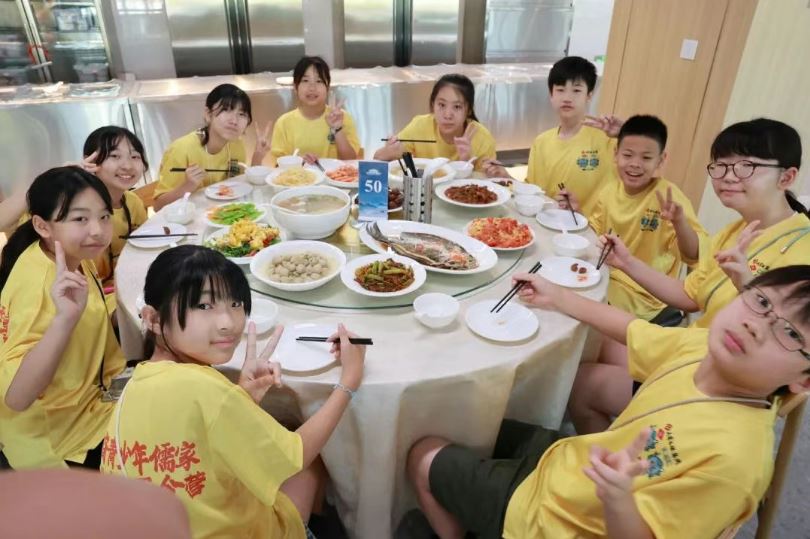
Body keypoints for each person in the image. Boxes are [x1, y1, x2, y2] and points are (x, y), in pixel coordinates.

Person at [408, 265, 810, 539]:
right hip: (570, 466)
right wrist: (557, 296)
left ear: (803, 381)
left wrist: (618, 499)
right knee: (472, 419)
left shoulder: (735, 464)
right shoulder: (703, 347)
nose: (755, 327)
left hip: (557, 521)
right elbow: (633, 330)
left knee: (422, 454)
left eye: (791, 334)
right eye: (762, 302)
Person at [101, 245, 365, 538]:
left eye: (235, 303)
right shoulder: (206, 391)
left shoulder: (135, 385)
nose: (228, 323)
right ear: (152, 318)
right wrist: (349, 380)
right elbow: (296, 457)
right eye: (203, 306)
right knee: (316, 459)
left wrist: (241, 397)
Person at [571, 119, 810, 433]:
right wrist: (626, 261)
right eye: (721, 166)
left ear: (787, 177)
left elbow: (782, 346)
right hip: (693, 349)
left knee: (581, 385)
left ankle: (630, 453)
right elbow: (689, 295)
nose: (728, 177)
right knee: (590, 342)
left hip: (722, 384)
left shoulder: (802, 253)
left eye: (745, 167)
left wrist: (747, 290)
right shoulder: (736, 230)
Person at [0, 167, 126, 469]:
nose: (97, 230)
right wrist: (64, 321)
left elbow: (91, 315)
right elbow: (17, 397)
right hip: (58, 435)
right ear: (42, 226)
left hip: (93, 397)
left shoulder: (70, 255)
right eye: (80, 219)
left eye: (104, 216)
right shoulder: (36, 285)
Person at [566, 114, 705, 322]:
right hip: (605, 274)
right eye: (628, 155)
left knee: (575, 312)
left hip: (643, 293)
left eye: (646, 158)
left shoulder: (669, 197)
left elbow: (694, 254)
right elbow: (594, 233)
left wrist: (679, 222)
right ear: (616, 154)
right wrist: (576, 212)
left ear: (661, 160)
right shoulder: (610, 190)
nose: (635, 164)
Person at [484, 56, 620, 217]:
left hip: (591, 229)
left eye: (576, 90)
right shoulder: (542, 142)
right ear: (551, 94)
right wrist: (505, 176)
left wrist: (623, 132)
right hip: (548, 223)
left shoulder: (608, 139)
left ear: (589, 95)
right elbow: (534, 192)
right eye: (560, 90)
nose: (567, 98)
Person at [153, 84, 272, 211]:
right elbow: (158, 206)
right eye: (226, 110)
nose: (234, 121)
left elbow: (240, 187)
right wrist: (188, 185)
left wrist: (257, 157)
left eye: (242, 114)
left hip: (224, 214)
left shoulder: (236, 144)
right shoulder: (181, 149)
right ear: (208, 114)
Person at [374, 74, 496, 171]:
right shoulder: (419, 126)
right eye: (441, 105)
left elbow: (490, 182)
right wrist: (388, 152)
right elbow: (376, 159)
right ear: (433, 105)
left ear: (469, 110)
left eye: (457, 107)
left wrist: (466, 161)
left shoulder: (482, 138)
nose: (447, 115)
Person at [81, 126, 149, 291]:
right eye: (114, 156)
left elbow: (145, 246)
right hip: (91, 295)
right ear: (89, 161)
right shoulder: (75, 212)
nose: (127, 165)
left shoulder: (132, 202)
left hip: (130, 283)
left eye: (134, 156)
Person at [271, 55, 361, 165]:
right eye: (305, 80)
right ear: (295, 87)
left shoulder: (342, 118)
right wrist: (298, 162)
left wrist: (337, 129)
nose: (312, 88)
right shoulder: (283, 123)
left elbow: (351, 160)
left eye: (319, 81)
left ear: (327, 87)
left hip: (333, 176)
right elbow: (277, 166)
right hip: (298, 176)